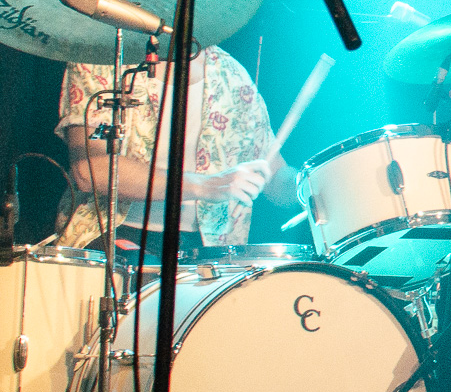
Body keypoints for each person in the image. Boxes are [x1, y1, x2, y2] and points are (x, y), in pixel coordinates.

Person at [55, 45, 299, 255]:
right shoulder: (104, 57)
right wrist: (206, 185)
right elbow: (91, 169)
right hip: (111, 237)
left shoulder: (233, 75)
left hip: (207, 252)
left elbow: (275, 178)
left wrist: (316, 184)